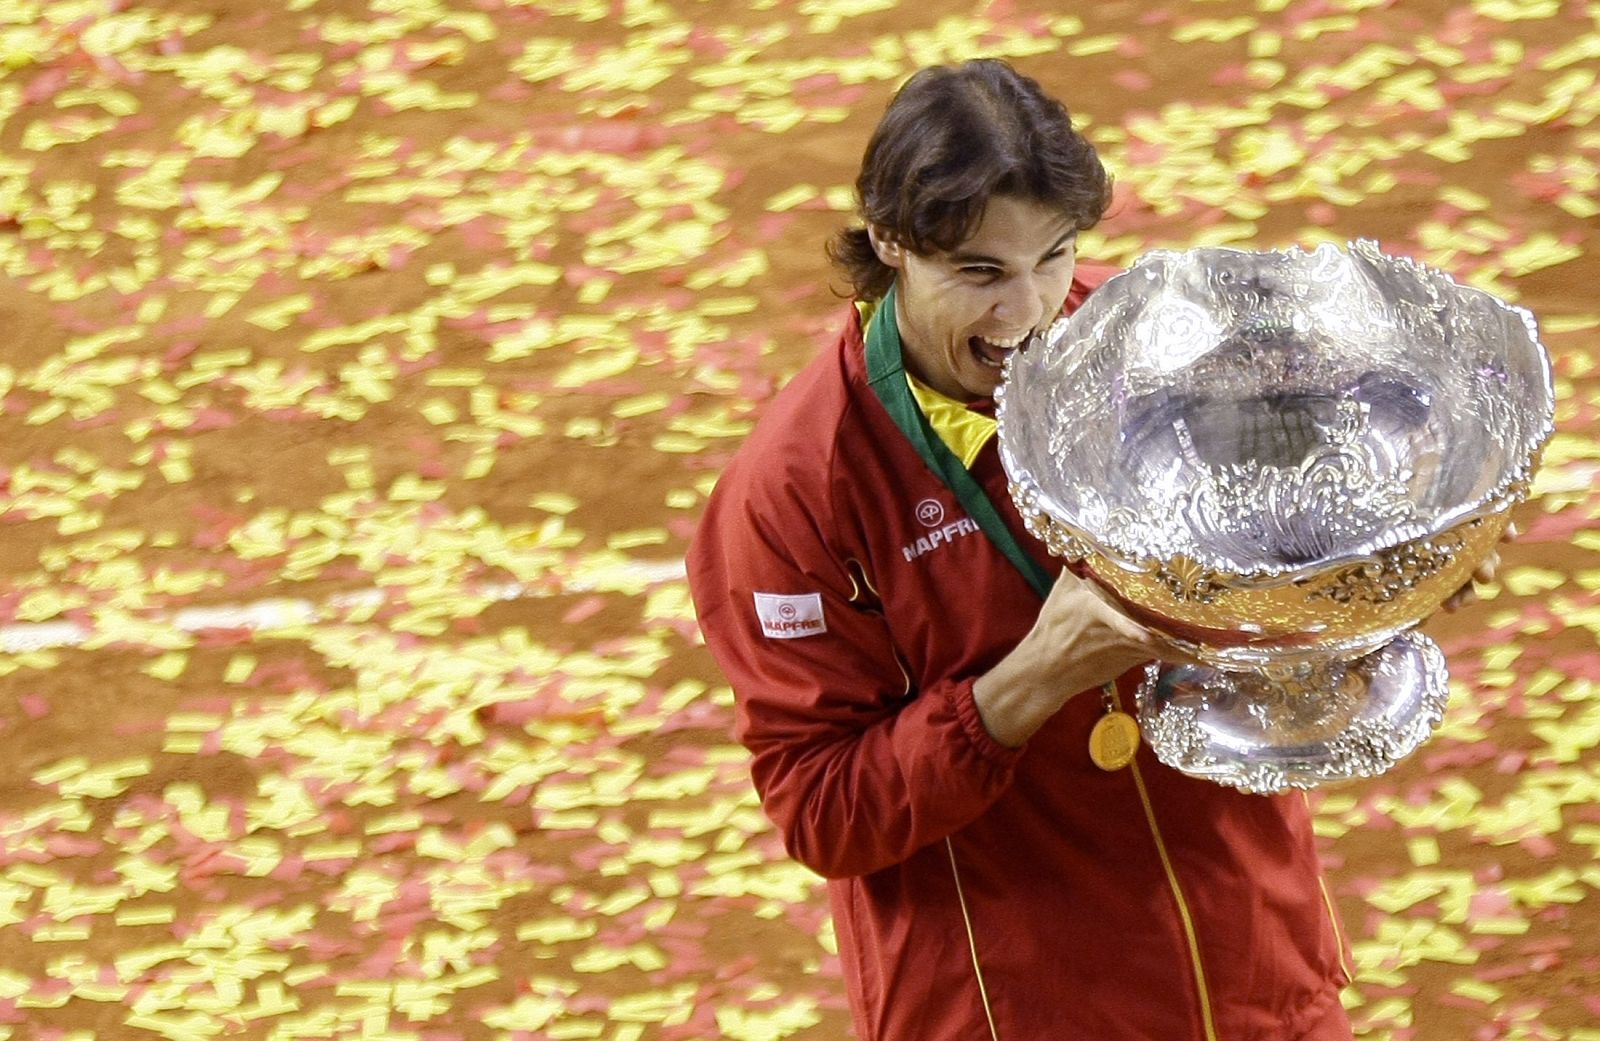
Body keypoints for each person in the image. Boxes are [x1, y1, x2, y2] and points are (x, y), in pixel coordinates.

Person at [686, 59, 1362, 1041]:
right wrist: (1027, 683)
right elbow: (824, 811)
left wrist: (1386, 565)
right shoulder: (798, 490)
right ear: (889, 243)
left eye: (1054, 256)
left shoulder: (1152, 345)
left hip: (1253, 978)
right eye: (978, 273)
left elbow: (1300, 535)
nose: (1029, 314)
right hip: (1014, 1008)